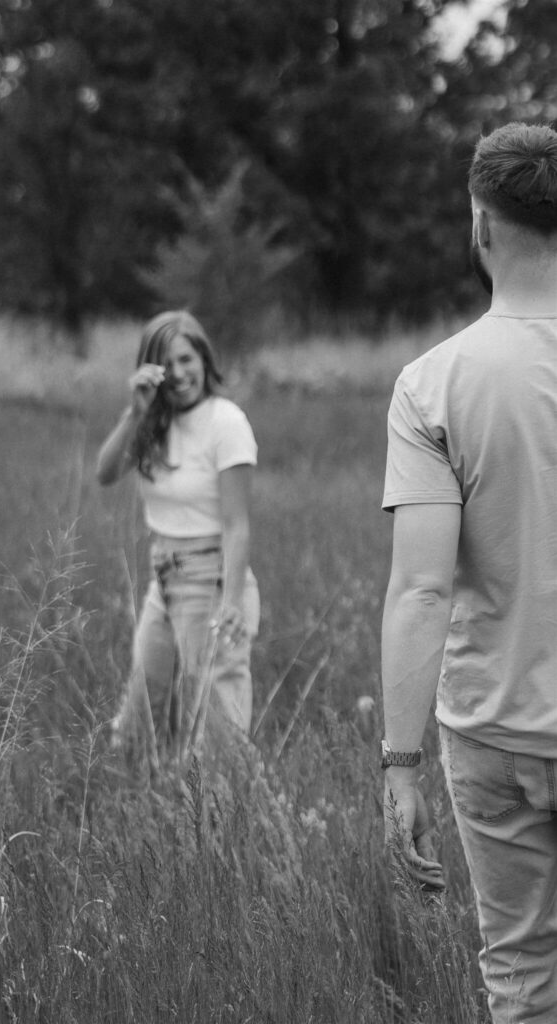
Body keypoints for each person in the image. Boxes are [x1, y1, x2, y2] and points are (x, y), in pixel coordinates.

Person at [380, 121, 557, 1023]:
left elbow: (420, 588)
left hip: (492, 730)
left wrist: (399, 763)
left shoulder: (430, 384)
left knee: (522, 974)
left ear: (479, 224)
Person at [96, 310, 259, 757]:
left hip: (210, 578)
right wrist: (135, 411)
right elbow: (105, 472)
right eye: (170, 365)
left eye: (188, 359)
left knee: (219, 736)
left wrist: (231, 605)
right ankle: (154, 811)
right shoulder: (154, 424)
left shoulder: (225, 421)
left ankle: (233, 821)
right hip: (162, 580)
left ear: (204, 358)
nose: (182, 373)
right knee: (136, 729)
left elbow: (237, 523)